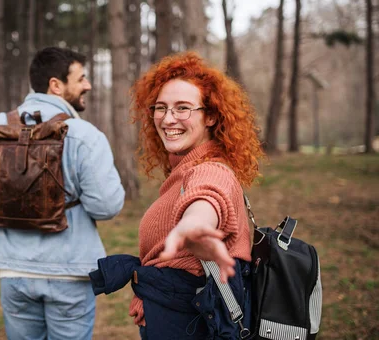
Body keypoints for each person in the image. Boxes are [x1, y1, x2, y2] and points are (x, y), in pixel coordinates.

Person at [0, 46, 125, 340]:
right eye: (81, 78)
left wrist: (12, 197)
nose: (88, 85)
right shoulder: (85, 136)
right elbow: (107, 206)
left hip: (13, 271)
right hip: (70, 270)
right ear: (55, 85)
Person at [89, 52, 264, 339]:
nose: (169, 119)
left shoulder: (210, 170)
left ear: (209, 116)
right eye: (161, 107)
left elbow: (207, 199)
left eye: (183, 108)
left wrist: (195, 227)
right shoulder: (184, 169)